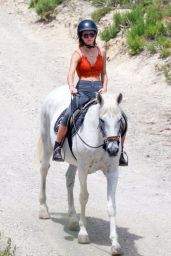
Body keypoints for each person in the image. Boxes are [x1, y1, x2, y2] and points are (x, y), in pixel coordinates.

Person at [52, 19, 128, 166]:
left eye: (91, 34)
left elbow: (104, 73)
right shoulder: (77, 54)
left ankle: (121, 151)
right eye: (85, 35)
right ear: (81, 36)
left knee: (122, 117)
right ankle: (58, 146)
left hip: (99, 90)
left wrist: (105, 87)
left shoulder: (101, 51)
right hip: (83, 89)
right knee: (68, 115)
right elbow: (70, 74)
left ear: (95, 34)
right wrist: (72, 86)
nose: (88, 37)